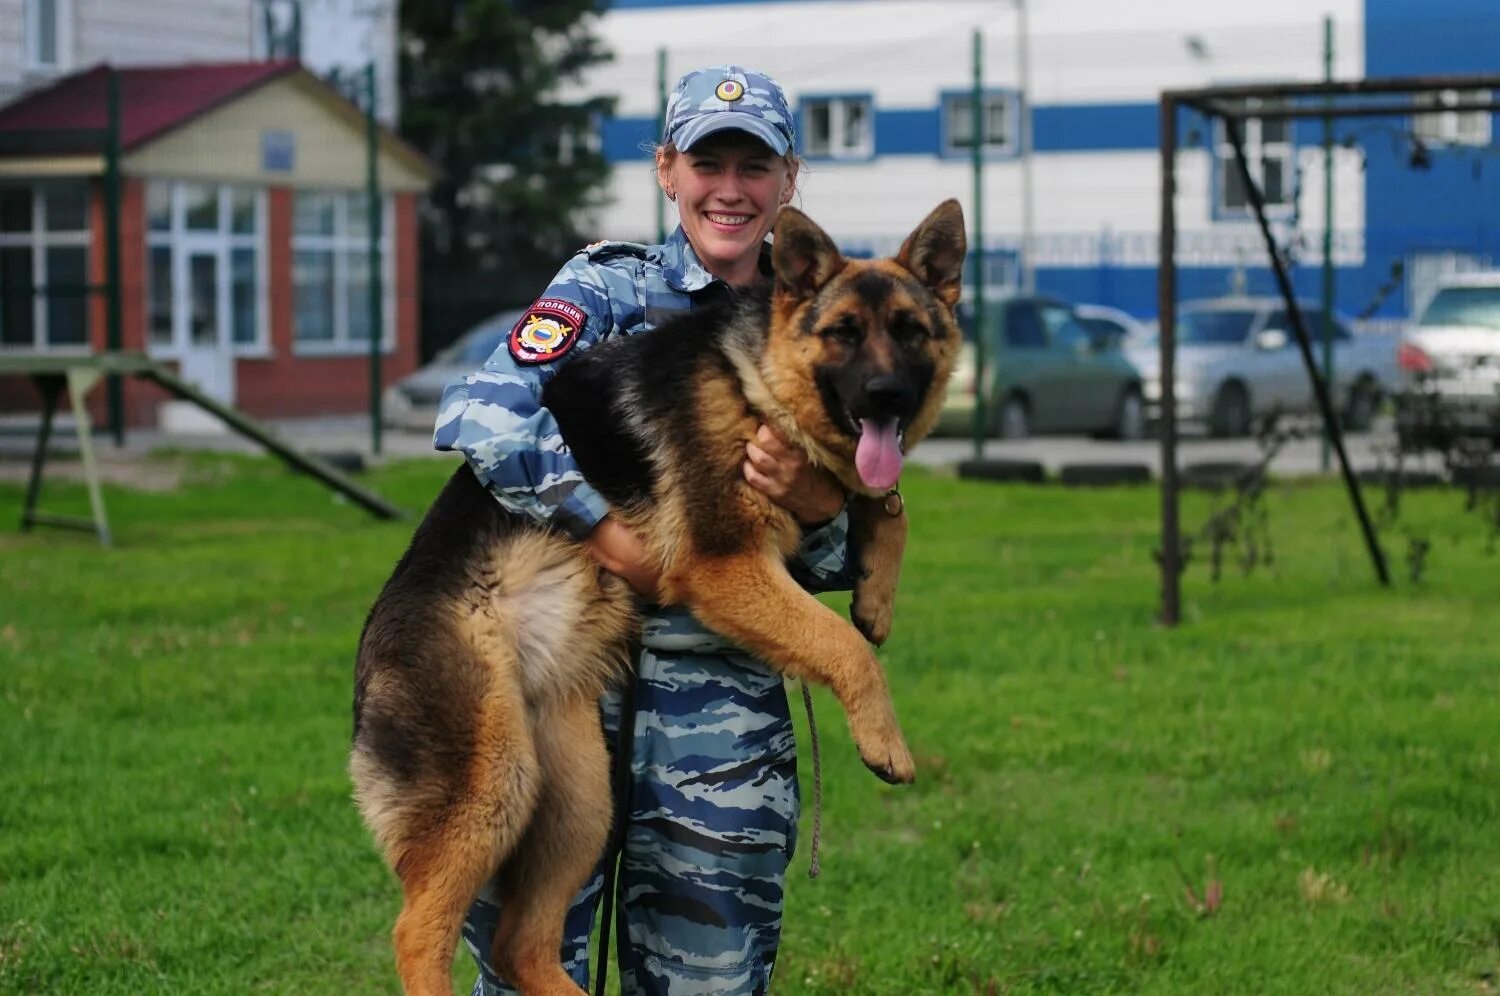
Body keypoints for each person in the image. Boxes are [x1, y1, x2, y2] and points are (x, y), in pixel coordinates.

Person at [433, 66, 859, 996]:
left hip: (723, 724)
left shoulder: (831, 319)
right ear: (667, 170)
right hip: (558, 693)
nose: (732, 189)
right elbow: (482, 417)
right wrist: (598, 528)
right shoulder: (604, 290)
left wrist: (823, 512)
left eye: (756, 165)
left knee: (710, 979)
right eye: (709, 161)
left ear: (791, 180)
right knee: (527, 971)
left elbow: (838, 569)